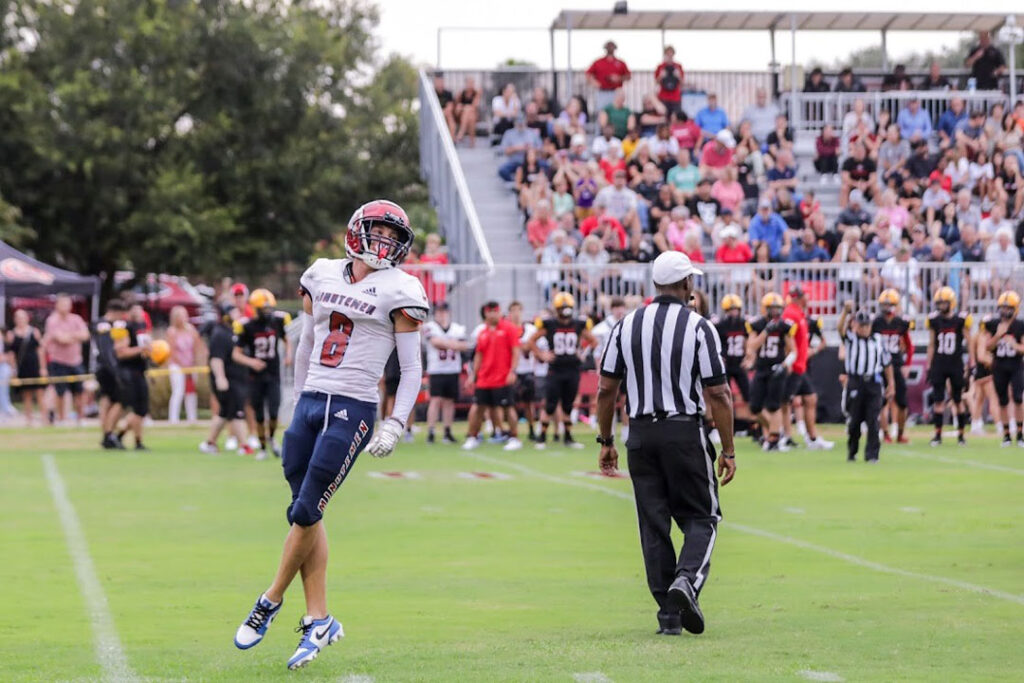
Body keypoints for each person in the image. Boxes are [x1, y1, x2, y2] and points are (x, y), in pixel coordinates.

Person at [232, 199, 428, 671]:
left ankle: (269, 600)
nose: (383, 242)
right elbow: (306, 341)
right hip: (313, 400)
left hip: (353, 405)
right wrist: (298, 401)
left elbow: (412, 365)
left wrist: (395, 421)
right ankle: (319, 619)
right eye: (376, 231)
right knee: (306, 512)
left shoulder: (403, 287)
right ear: (357, 231)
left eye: (391, 235)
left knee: (305, 508)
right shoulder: (320, 273)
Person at [595, 251, 735, 637]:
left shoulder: (625, 325)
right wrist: (729, 449)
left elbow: (606, 388)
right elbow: (719, 393)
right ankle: (686, 581)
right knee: (703, 517)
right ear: (687, 284)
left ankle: (668, 616)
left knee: (653, 525)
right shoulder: (698, 327)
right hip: (684, 432)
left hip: (639, 434)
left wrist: (606, 440)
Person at [527, 291, 596, 449]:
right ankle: (542, 437)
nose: (565, 312)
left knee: (568, 404)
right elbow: (531, 341)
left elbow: (593, 341)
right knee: (550, 404)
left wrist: (582, 353)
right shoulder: (550, 324)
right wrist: (542, 354)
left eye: (567, 308)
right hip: (555, 369)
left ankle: (568, 437)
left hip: (572, 369)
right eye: (562, 308)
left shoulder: (578, 324)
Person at [234, 289, 293, 458]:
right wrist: (251, 362)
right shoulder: (246, 325)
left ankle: (272, 439)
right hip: (255, 376)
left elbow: (286, 339)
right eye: (263, 309)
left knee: (274, 411)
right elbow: (235, 354)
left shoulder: (278, 321)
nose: (267, 312)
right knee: (259, 414)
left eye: (269, 308)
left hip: (273, 373)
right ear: (254, 308)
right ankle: (262, 447)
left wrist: (288, 355)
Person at [838, 302, 895, 463]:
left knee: (873, 419)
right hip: (856, 381)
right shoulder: (851, 339)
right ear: (856, 325)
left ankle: (872, 455)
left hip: (873, 382)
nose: (863, 329)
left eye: (866, 326)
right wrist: (845, 312)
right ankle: (852, 451)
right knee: (855, 420)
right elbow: (840, 328)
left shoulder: (878, 340)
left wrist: (891, 384)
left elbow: (887, 363)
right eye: (861, 326)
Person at [462, 302, 522, 452]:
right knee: (478, 408)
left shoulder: (509, 329)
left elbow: (516, 351)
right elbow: (478, 357)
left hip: (502, 377)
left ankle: (514, 437)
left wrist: (512, 371)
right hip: (484, 378)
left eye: (496, 311)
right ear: (485, 314)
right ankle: (473, 436)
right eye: (490, 311)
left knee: (508, 407)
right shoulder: (483, 333)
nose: (493, 314)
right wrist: (473, 375)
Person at [781, 286, 834, 450]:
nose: (807, 298)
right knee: (786, 401)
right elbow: (785, 338)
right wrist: (788, 360)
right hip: (795, 365)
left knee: (810, 398)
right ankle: (784, 436)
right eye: (804, 296)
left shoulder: (799, 313)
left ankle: (812, 438)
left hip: (801, 365)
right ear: (798, 297)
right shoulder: (791, 313)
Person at [745, 293, 797, 451]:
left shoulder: (784, 326)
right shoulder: (758, 324)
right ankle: (777, 432)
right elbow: (751, 347)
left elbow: (793, 351)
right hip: (761, 368)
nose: (775, 312)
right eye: (772, 308)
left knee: (774, 406)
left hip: (776, 369)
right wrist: (766, 332)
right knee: (755, 407)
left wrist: (784, 365)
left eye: (778, 308)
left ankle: (773, 439)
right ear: (764, 309)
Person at [200, 303, 252, 455]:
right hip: (228, 379)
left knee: (224, 412)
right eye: (234, 311)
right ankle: (244, 445)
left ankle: (209, 443)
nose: (237, 314)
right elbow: (216, 359)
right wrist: (220, 378)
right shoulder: (220, 333)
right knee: (236, 412)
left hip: (237, 378)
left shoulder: (235, 331)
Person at [926, 287, 973, 447]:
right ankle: (938, 435)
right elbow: (931, 344)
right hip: (939, 363)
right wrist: (928, 365)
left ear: (951, 303)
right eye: (939, 303)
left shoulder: (961, 319)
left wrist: (971, 362)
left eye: (944, 303)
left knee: (958, 400)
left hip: (955, 364)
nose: (941, 306)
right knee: (938, 401)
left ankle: (961, 436)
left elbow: (969, 341)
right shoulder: (934, 320)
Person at [980, 291, 1024, 447]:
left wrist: (1014, 345)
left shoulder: (1020, 325)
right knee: (1003, 400)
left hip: (1016, 364)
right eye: (1002, 307)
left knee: (1018, 399)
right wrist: (998, 335)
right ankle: (1006, 435)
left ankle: (1020, 434)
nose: (1004, 311)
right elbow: (987, 346)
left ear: (1015, 308)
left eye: (1008, 307)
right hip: (999, 364)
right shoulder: (993, 324)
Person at [422, 302, 468, 445]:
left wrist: (447, 343)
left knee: (449, 401)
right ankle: (431, 431)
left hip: (452, 369)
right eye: (439, 312)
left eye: (444, 311)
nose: (441, 314)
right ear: (435, 313)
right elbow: (436, 343)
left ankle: (447, 431)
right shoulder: (430, 327)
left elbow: (464, 346)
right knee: (435, 400)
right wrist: (453, 344)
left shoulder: (457, 328)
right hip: (436, 370)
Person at [872, 289, 914, 444]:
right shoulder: (875, 322)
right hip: (879, 365)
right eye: (884, 304)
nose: (886, 307)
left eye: (889, 304)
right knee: (881, 402)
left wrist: (908, 364)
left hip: (896, 363)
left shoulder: (901, 322)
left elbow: (909, 345)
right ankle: (885, 434)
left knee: (902, 402)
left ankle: (900, 434)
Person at [42, 293, 90, 424]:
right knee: (60, 392)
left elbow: (85, 335)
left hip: (76, 361)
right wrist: (75, 336)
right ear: (57, 305)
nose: (66, 306)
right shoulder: (52, 320)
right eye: (63, 303)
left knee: (80, 392)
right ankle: (62, 418)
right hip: (59, 361)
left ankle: (81, 418)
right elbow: (61, 339)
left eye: (68, 304)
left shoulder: (76, 319)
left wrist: (70, 336)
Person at [113, 302, 152, 450]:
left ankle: (120, 435)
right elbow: (121, 352)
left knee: (141, 410)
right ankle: (138, 441)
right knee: (138, 409)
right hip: (129, 372)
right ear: (128, 311)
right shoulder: (123, 327)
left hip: (140, 370)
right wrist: (142, 349)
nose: (140, 312)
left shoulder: (141, 326)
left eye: (141, 309)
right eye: (136, 309)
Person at [93, 301, 128, 448]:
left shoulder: (111, 325)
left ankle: (107, 434)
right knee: (119, 400)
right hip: (107, 368)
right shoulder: (104, 325)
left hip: (104, 367)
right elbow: (106, 350)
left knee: (107, 400)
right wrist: (114, 368)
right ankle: (108, 434)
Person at [6, 309, 46, 425]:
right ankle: (29, 420)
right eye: (18, 318)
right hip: (22, 367)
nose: (20, 320)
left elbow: (40, 351)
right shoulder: (11, 334)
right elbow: (11, 354)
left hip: (35, 366)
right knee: (26, 395)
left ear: (27, 318)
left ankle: (45, 419)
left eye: (22, 317)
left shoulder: (34, 332)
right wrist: (13, 370)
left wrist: (43, 367)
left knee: (39, 394)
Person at [712, 294, 751, 410]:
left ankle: (752, 425)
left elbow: (750, 342)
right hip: (726, 364)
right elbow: (714, 343)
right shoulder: (720, 325)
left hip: (740, 363)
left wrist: (749, 358)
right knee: (725, 397)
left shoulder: (745, 324)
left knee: (748, 396)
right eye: (730, 310)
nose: (733, 313)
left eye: (735, 310)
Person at [507, 301, 538, 441]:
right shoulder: (506, 329)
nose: (516, 313)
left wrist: (520, 346)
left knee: (528, 402)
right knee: (510, 403)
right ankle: (513, 431)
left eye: (518, 310)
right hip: (512, 371)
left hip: (527, 369)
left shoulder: (530, 329)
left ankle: (531, 429)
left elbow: (530, 347)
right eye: (513, 310)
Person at [166, 305, 201, 425]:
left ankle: (192, 418)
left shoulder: (191, 330)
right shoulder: (172, 331)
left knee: (191, 392)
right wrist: (183, 365)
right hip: (177, 365)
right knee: (178, 391)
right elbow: (172, 351)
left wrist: (194, 363)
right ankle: (173, 419)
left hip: (190, 365)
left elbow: (196, 347)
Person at [587, 40, 631, 114]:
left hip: (616, 91)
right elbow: (588, 74)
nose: (610, 49)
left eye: (612, 47)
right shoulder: (598, 62)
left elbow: (628, 76)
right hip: (602, 91)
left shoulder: (620, 62)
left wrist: (619, 78)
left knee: (616, 111)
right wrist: (594, 82)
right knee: (601, 111)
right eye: (608, 47)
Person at [654, 46, 684, 115]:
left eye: (671, 54)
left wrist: (678, 76)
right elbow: (656, 82)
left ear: (673, 55)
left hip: (675, 97)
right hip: (663, 96)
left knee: (676, 117)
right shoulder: (660, 66)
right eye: (668, 54)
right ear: (665, 54)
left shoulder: (678, 66)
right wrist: (661, 76)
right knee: (664, 117)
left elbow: (682, 83)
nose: (669, 56)